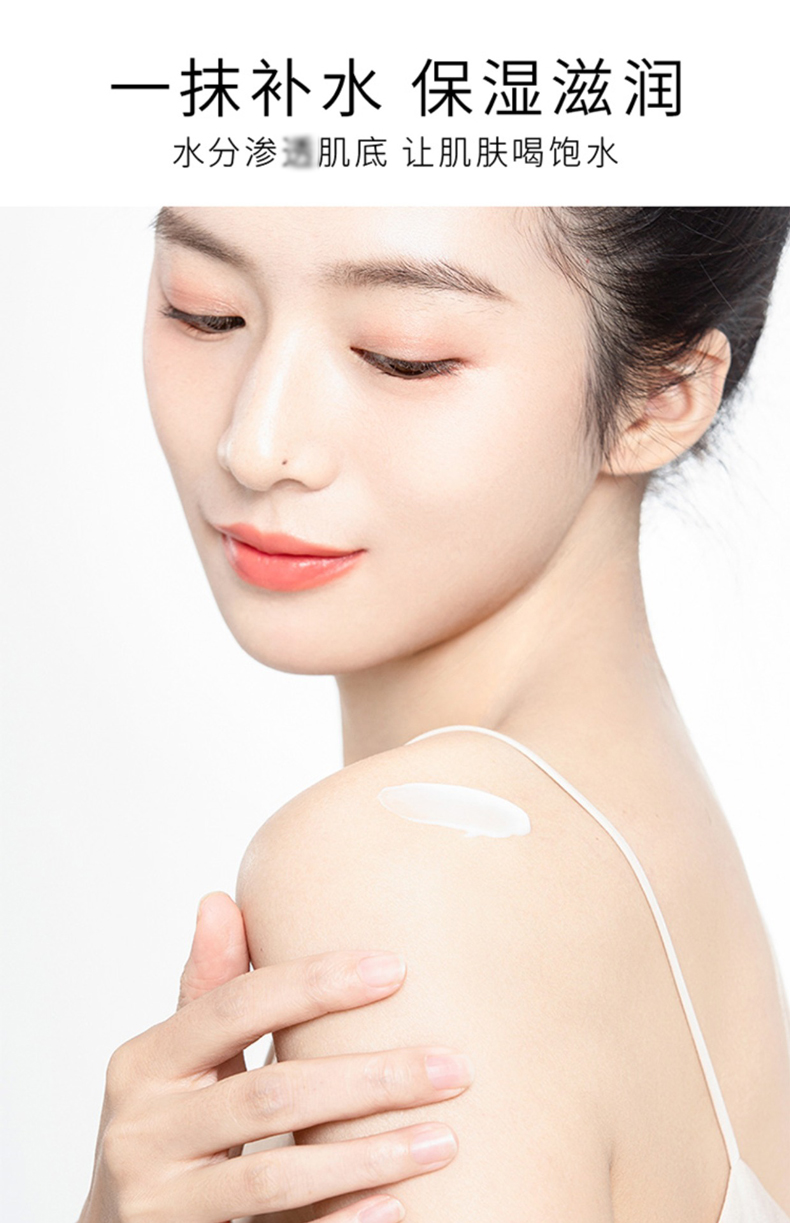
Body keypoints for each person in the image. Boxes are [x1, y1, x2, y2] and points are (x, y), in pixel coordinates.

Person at [80, 207, 790, 1222]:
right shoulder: (644, 820)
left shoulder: (418, 864)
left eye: (401, 358)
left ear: (660, 395)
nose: (256, 442)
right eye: (207, 313)